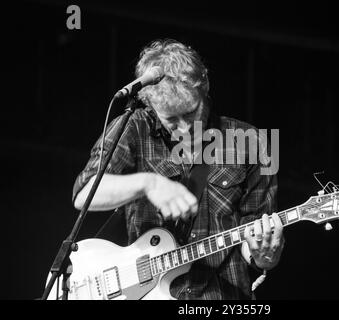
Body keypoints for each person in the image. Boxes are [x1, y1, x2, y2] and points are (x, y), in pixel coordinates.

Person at [73, 39, 285, 300]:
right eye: (171, 120)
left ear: (204, 87)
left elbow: (257, 238)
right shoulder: (134, 128)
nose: (185, 128)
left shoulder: (252, 141)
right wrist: (149, 183)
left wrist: (265, 256)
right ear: (149, 104)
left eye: (191, 112)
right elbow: (84, 194)